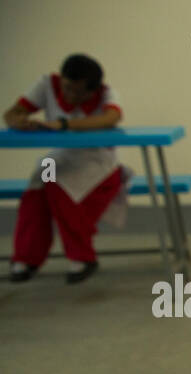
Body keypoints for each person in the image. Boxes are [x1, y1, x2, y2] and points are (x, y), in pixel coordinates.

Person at [5, 54, 129, 284]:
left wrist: (63, 124)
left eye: (78, 92)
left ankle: (81, 256)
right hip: (61, 157)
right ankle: (26, 258)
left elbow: (112, 117)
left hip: (97, 159)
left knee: (59, 189)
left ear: (93, 91)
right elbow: (12, 113)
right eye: (67, 88)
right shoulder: (46, 85)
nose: (71, 96)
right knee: (37, 190)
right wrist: (19, 121)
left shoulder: (107, 94)